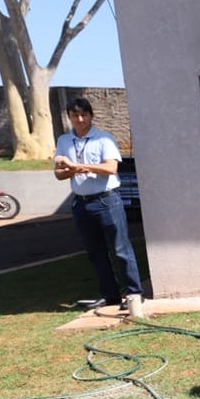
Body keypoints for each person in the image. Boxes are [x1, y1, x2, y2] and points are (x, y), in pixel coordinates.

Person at [52, 97, 143, 311]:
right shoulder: (64, 140)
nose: (80, 119)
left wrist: (76, 166)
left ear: (91, 115)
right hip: (81, 203)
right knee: (95, 252)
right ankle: (110, 295)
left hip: (106, 200)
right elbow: (58, 174)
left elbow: (111, 168)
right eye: (75, 116)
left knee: (121, 248)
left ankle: (134, 295)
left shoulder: (103, 139)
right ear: (69, 117)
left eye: (84, 115)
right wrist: (73, 169)